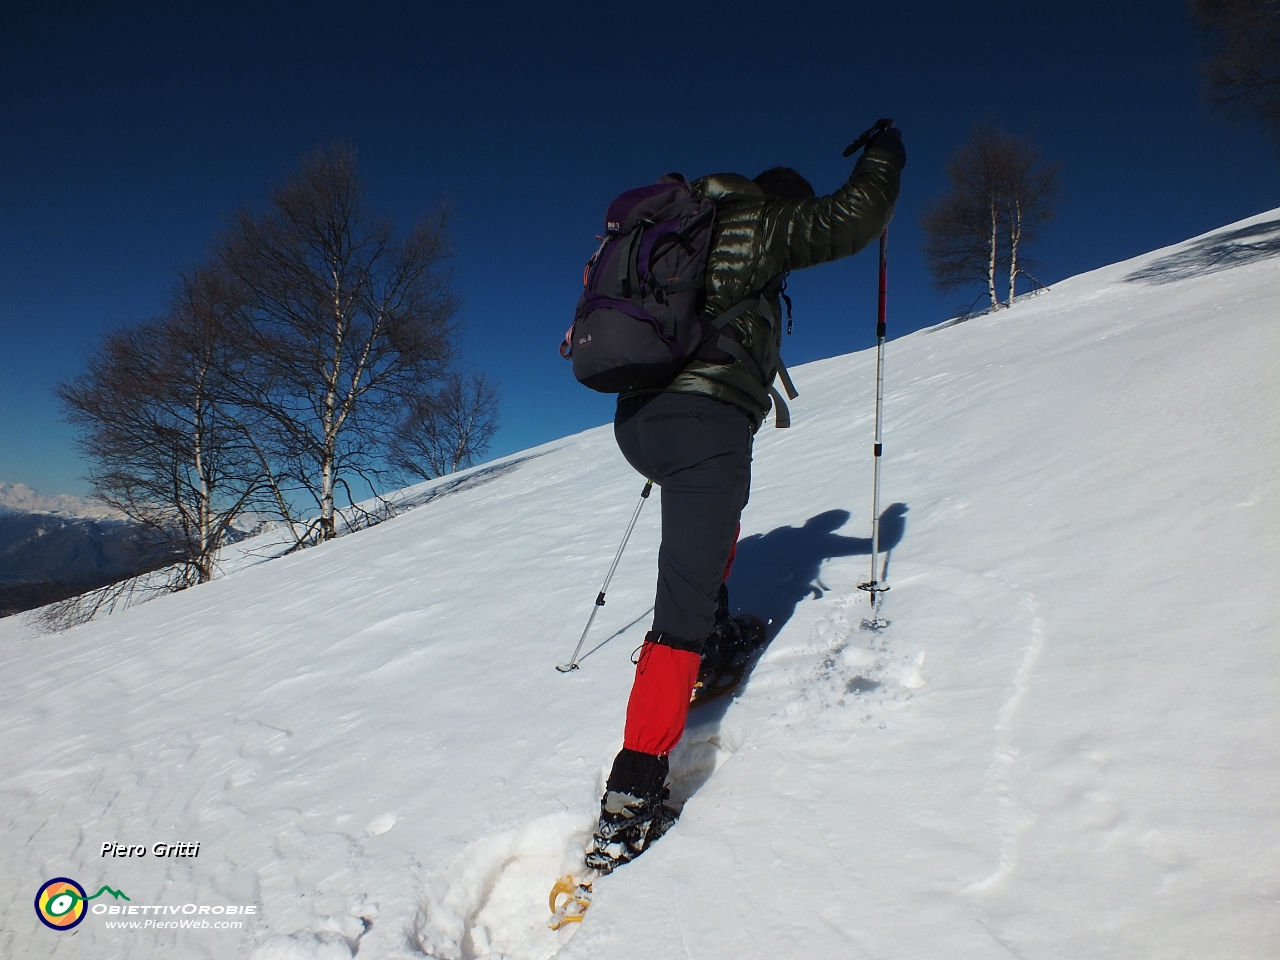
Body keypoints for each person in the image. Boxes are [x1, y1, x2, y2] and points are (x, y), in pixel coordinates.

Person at [585, 127, 906, 874]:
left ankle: (715, 629)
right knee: (679, 617)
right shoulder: (763, 221)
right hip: (704, 425)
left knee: (715, 533)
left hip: (643, 422)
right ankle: (630, 796)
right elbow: (855, 217)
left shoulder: (690, 227)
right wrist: (885, 153)